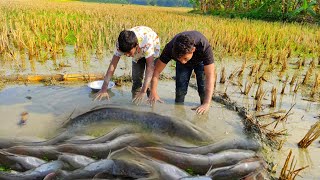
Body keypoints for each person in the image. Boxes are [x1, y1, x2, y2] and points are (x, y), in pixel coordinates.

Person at [148, 31, 215, 115]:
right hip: (182, 62)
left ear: (193, 50)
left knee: (203, 89)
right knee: (180, 90)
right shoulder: (170, 48)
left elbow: (210, 76)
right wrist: (153, 91)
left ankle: (204, 109)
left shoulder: (204, 46)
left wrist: (206, 103)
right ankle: (178, 113)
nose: (183, 62)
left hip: (200, 62)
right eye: (180, 58)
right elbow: (157, 70)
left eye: (185, 58)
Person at [95, 26, 160, 105]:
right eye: (125, 53)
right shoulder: (121, 44)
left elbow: (150, 67)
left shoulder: (147, 42)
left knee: (149, 84)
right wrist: (104, 88)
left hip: (151, 45)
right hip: (137, 51)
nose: (127, 55)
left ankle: (152, 105)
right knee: (136, 80)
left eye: (129, 52)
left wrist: (143, 90)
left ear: (136, 46)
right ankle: (135, 106)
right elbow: (113, 65)